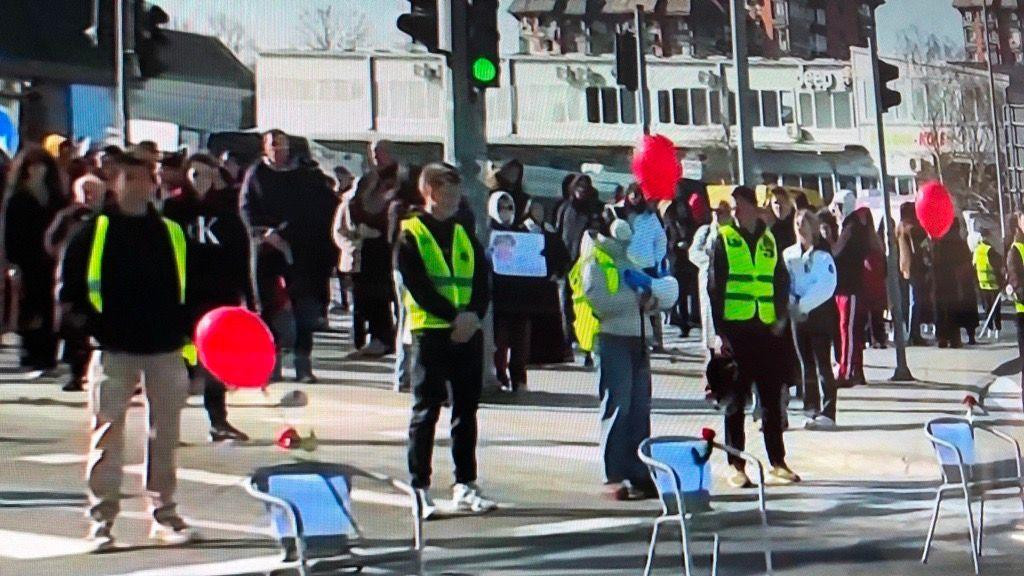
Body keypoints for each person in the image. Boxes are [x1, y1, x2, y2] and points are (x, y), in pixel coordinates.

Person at [59, 151, 195, 550]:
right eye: (129, 178)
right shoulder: (94, 230)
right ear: (114, 184)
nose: (138, 186)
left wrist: (187, 335)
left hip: (165, 347)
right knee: (107, 435)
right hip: (113, 347)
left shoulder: (170, 231)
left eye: (145, 178)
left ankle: (164, 514)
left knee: (165, 435)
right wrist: (90, 329)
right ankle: (101, 522)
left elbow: (189, 287)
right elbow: (70, 290)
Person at [396, 163, 495, 517]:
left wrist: (473, 315)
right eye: (448, 192)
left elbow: (482, 276)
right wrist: (454, 317)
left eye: (457, 193)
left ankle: (465, 483)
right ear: (430, 192)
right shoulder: (411, 231)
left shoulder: (463, 228)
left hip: (467, 332)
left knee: (466, 411)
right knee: (426, 410)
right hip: (431, 332)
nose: (455, 200)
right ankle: (419, 487)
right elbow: (417, 284)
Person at [571, 217, 675, 499]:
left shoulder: (626, 259)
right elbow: (600, 302)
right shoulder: (594, 260)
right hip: (611, 338)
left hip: (637, 337)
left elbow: (646, 289)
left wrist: (652, 300)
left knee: (640, 407)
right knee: (618, 406)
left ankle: (640, 471)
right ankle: (613, 475)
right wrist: (637, 299)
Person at [709, 186, 800, 487]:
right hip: (736, 331)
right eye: (733, 207)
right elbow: (714, 288)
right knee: (735, 400)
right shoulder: (724, 240)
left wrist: (779, 317)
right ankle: (736, 464)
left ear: (752, 207)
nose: (735, 211)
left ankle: (778, 461)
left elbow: (780, 281)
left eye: (739, 205)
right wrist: (720, 333)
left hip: (766, 329)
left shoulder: (769, 240)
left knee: (772, 400)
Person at [163, 153, 252, 442]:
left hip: (219, 299)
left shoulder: (228, 212)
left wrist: (247, 298)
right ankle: (167, 422)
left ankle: (218, 420)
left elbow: (240, 256)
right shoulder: (173, 209)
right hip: (184, 299)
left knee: (216, 361)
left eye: (206, 174)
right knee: (181, 362)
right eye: (194, 174)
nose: (199, 180)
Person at [240, 129, 339, 383]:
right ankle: (270, 364)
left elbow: (312, 209)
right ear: (265, 148)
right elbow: (246, 208)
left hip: (298, 248)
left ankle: (303, 365)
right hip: (264, 247)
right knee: (266, 308)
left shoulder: (303, 176)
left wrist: (285, 232)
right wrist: (263, 232)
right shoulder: (255, 174)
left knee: (303, 308)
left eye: (281, 145)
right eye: (273, 145)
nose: (278, 150)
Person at [2, 146, 68, 371]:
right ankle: (30, 352)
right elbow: (9, 232)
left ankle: (47, 355)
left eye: (42, 166)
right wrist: (12, 263)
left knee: (50, 307)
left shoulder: (56, 196)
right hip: (26, 259)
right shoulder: (18, 198)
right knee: (28, 307)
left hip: (51, 260)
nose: (38, 170)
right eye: (33, 166)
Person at [333, 143, 398, 357]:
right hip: (367, 245)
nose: (377, 158)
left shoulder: (400, 179)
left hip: (390, 244)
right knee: (367, 297)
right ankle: (374, 339)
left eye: (381, 153)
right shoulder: (368, 180)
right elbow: (354, 207)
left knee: (387, 296)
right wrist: (361, 229)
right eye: (374, 153)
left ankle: (387, 339)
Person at [47, 172, 108, 391]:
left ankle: (91, 372)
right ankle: (75, 373)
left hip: (99, 282)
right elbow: (51, 240)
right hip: (72, 278)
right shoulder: (69, 216)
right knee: (73, 329)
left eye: (94, 191)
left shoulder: (108, 217)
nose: (89, 196)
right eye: (85, 191)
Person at [783, 209, 839, 429]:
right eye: (797, 222)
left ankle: (828, 412)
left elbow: (825, 286)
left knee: (822, 363)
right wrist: (790, 303)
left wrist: (802, 305)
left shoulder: (823, 256)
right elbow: (785, 280)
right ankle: (811, 408)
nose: (800, 226)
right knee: (805, 363)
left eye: (804, 222)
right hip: (798, 318)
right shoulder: (789, 255)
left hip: (819, 316)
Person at [609, 184, 668, 352]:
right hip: (627, 263)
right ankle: (634, 337)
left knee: (650, 302)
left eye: (638, 194)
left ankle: (656, 339)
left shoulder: (649, 217)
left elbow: (661, 239)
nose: (635, 197)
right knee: (630, 301)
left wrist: (657, 259)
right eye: (632, 194)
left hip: (646, 264)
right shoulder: (620, 214)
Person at [832, 200, 872, 387]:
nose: (835, 212)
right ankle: (854, 370)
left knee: (847, 331)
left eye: (838, 207)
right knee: (851, 332)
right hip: (845, 288)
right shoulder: (850, 228)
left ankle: (846, 372)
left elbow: (838, 255)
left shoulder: (851, 229)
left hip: (850, 288)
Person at [689, 201, 732, 351]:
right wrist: (713, 260)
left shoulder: (734, 233)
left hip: (728, 285)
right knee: (710, 321)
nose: (717, 215)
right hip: (708, 281)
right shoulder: (705, 231)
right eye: (715, 212)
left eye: (721, 212)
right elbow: (693, 253)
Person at [896, 202, 932, 345]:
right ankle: (914, 334)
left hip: (903, 266)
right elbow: (919, 249)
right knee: (915, 301)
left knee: (908, 300)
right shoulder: (914, 229)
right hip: (916, 267)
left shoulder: (898, 228)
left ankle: (910, 332)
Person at [862, 212, 889, 349]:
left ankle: (872, 338)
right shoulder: (876, 239)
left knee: (869, 311)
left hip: (867, 279)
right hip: (878, 279)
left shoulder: (861, 238)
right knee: (877, 311)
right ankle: (879, 337)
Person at [974, 229, 1004, 337]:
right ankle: (997, 328)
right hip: (994, 284)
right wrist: (1002, 283)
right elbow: (997, 268)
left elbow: (974, 267)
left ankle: (989, 328)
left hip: (982, 284)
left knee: (987, 307)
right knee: (996, 308)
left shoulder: (977, 250)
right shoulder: (990, 251)